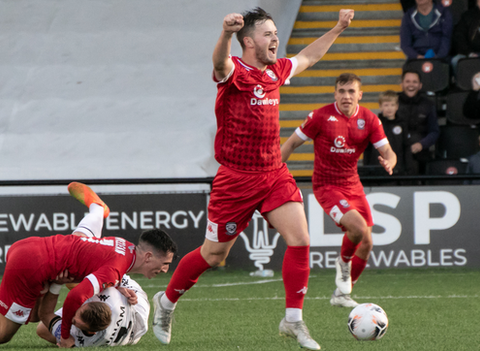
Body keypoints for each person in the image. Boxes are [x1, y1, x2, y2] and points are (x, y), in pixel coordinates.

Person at [150, 7, 354, 350]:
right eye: (267, 34)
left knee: (301, 240)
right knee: (214, 255)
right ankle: (166, 302)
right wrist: (225, 33)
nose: (275, 39)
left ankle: (293, 320)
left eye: (276, 33)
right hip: (236, 179)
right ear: (248, 41)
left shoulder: (276, 70)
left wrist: (338, 28)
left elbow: (308, 57)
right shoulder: (234, 72)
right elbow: (218, 64)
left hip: (274, 172)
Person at [0, 182, 177, 349]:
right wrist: (65, 336)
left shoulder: (123, 247)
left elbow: (86, 246)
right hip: (30, 267)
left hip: (32, 248)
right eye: (164, 263)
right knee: (1, 334)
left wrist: (116, 287)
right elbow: (75, 297)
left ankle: (97, 209)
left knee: (32, 313)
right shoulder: (115, 267)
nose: (165, 270)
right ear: (148, 256)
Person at [281, 73, 396, 308]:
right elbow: (291, 143)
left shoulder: (370, 119)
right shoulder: (320, 117)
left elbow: (389, 152)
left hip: (353, 185)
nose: (346, 96)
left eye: (351, 91)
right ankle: (344, 263)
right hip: (327, 186)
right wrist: (272, 173)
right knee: (358, 228)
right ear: (335, 94)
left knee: (366, 244)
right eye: (341, 91)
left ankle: (341, 295)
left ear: (359, 95)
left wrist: (390, 161)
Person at [36, 273, 151, 347]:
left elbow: (43, 318)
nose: (69, 318)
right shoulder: (111, 295)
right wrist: (117, 285)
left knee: (43, 329)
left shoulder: (82, 341)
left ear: (91, 332)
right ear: (91, 302)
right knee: (88, 276)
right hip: (138, 310)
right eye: (76, 312)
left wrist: (55, 285)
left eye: (74, 322)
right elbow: (114, 269)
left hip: (129, 334)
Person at [398, 70, 439, 174]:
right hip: (397, 154)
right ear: (402, 84)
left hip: (421, 154)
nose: (411, 85)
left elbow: (434, 131)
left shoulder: (429, 104)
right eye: (407, 81)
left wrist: (421, 145)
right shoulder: (393, 102)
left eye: (414, 82)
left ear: (420, 85)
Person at [364, 90, 412, 175]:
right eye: (386, 105)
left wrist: (407, 168)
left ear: (397, 106)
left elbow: (406, 147)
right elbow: (368, 149)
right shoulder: (374, 123)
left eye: (392, 105)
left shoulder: (402, 124)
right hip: (377, 168)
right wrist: (367, 168)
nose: (389, 108)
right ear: (380, 106)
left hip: (398, 169)